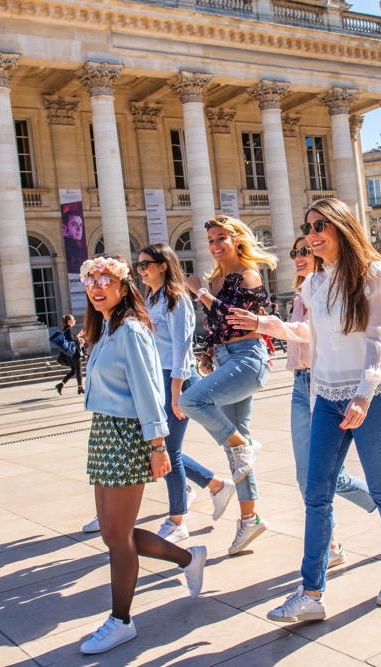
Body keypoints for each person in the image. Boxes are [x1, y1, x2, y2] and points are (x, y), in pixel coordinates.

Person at [266, 198, 381, 623]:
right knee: (316, 494)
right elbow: (306, 333)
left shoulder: (373, 274)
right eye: (308, 226)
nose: (311, 235)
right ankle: (311, 592)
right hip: (327, 400)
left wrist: (365, 394)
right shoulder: (313, 284)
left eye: (320, 225)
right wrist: (265, 326)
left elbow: (378, 338)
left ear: (342, 227)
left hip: (371, 397)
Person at [75, 254, 206, 655]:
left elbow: (150, 390)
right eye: (90, 281)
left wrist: (158, 445)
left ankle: (121, 621)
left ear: (123, 285)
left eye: (105, 279)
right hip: (104, 432)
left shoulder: (131, 329)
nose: (97, 287)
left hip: (129, 434)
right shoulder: (105, 328)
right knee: (114, 532)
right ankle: (188, 557)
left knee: (117, 537)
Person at [228, 235, 381, 571]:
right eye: (294, 251)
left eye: (304, 251)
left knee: (320, 476)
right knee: (309, 476)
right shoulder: (303, 292)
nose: (297, 256)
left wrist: (263, 324)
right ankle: (342, 538)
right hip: (301, 385)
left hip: (323, 385)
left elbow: (307, 333)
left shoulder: (326, 292)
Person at [119, 243, 237, 543]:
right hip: (159, 380)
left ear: (163, 265)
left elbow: (183, 351)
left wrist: (174, 392)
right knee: (161, 447)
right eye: (139, 264)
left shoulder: (177, 301)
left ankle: (177, 521)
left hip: (178, 381)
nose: (141, 269)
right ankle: (216, 485)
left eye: (146, 264)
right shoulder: (151, 298)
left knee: (166, 451)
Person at [179, 214, 275, 556]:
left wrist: (200, 292)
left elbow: (231, 317)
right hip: (225, 359)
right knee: (237, 451)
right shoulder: (215, 279)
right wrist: (208, 353)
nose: (215, 245)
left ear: (236, 239)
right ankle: (250, 520)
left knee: (189, 402)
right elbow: (217, 330)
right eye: (211, 240)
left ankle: (241, 445)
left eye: (221, 238)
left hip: (249, 360)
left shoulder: (248, 275)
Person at [55, 314, 84, 395]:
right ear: (69, 321)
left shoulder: (66, 330)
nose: (74, 321)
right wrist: (78, 339)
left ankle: (61, 385)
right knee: (78, 370)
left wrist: (78, 335)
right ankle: (80, 388)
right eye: (73, 319)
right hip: (74, 353)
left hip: (68, 354)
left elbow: (71, 339)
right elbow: (72, 340)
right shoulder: (69, 329)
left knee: (74, 370)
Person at [62, 205, 88, 275]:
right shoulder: (68, 250)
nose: (79, 229)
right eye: (74, 225)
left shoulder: (78, 248)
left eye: (80, 225)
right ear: (64, 227)